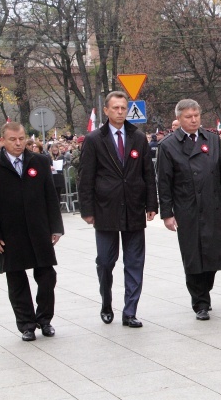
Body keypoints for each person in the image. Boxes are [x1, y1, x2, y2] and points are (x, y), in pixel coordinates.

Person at [79, 91, 158, 328]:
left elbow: (147, 173)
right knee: (105, 261)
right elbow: (86, 178)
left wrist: (151, 204)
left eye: (124, 108)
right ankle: (106, 301)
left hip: (133, 207)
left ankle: (130, 310)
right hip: (105, 209)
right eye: (115, 108)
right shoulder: (94, 139)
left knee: (134, 262)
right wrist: (87, 210)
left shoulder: (138, 137)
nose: (120, 112)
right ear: (106, 110)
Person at [156, 99, 221, 320]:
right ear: (179, 119)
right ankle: (199, 301)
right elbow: (164, 182)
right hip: (186, 207)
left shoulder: (212, 139)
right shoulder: (168, 145)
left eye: (196, 115)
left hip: (212, 205)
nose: (193, 120)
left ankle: (205, 289)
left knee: (213, 255)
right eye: (188, 117)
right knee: (193, 256)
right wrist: (167, 213)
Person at [0, 123, 64, 341]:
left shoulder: (40, 161)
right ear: (3, 140)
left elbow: (50, 196)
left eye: (21, 139)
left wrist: (56, 226)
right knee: (16, 280)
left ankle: (44, 319)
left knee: (47, 276)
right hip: (9, 232)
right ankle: (26, 324)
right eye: (12, 140)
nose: (18, 144)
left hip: (39, 229)